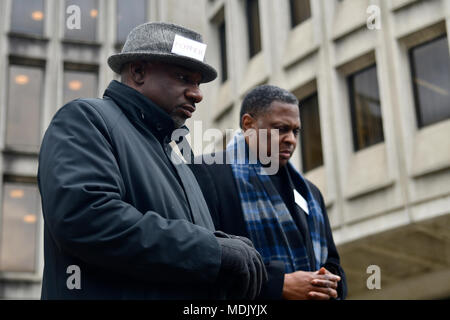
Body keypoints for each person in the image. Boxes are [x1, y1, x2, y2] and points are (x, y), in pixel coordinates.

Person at [38, 22, 267, 300]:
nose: (198, 94)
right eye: (183, 77)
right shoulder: (86, 119)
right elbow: (84, 218)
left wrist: (220, 246)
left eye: (198, 83)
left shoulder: (177, 151)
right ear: (138, 71)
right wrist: (211, 250)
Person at [189, 85, 347, 300]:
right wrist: (278, 285)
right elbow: (201, 259)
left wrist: (325, 283)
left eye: (295, 131)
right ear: (248, 125)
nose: (291, 139)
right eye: (281, 129)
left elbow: (332, 263)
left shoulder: (310, 192)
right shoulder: (205, 174)